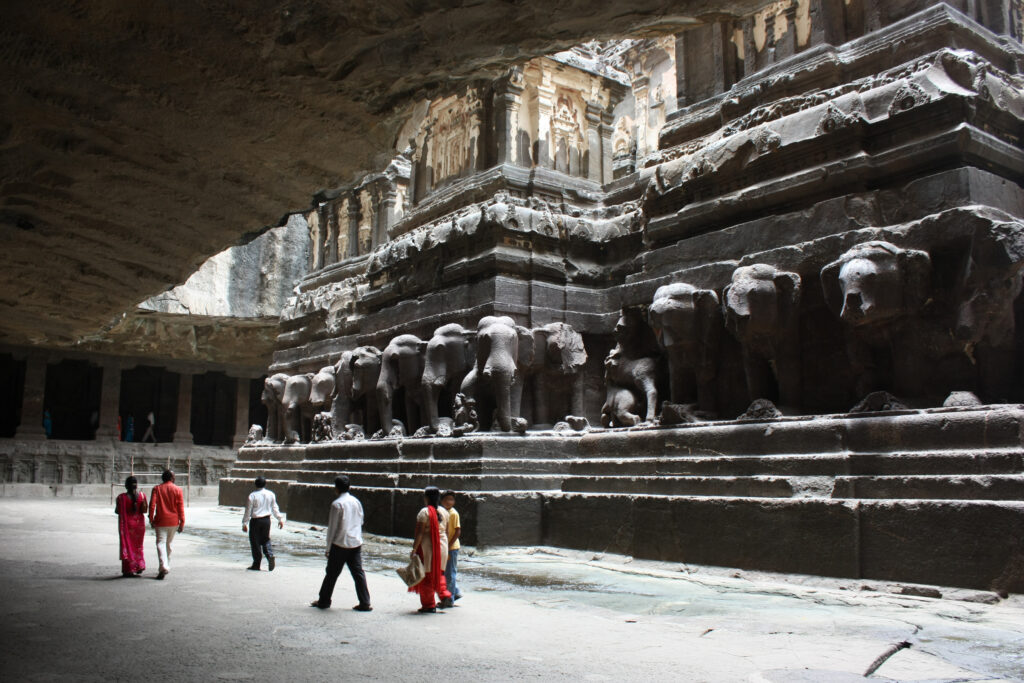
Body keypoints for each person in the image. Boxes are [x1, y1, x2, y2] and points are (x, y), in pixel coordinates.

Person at [311, 476, 371, 611]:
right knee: (358, 573)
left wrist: (328, 548)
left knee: (331, 574)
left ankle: (324, 600)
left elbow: (332, 528)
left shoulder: (337, 504)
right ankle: (365, 602)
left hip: (340, 544)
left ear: (336, 488)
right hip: (355, 542)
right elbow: (361, 521)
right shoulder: (356, 502)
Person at [410, 486, 452, 613]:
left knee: (427, 576)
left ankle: (429, 605)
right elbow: (447, 531)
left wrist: (414, 548)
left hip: (428, 547)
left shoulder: (424, 512)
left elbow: (420, 533)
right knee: (439, 572)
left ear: (427, 497)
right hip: (442, 546)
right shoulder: (444, 512)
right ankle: (444, 594)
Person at [148, 470, 185, 580]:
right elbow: (180, 508)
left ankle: (164, 566)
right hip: (173, 522)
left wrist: (151, 518)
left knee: (161, 543)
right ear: (172, 478)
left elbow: (152, 505)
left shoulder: (157, 489)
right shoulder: (178, 489)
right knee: (168, 544)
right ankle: (164, 567)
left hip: (160, 521)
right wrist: (182, 522)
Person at [242, 476, 284, 571]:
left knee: (255, 542)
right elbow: (274, 507)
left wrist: (245, 523)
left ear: (255, 484)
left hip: (256, 521)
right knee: (265, 539)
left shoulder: (252, 496)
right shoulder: (271, 494)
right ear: (265, 484)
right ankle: (269, 556)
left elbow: (248, 510)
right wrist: (280, 519)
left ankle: (256, 564)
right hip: (266, 520)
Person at [115, 476, 148, 577]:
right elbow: (144, 510)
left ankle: (129, 568)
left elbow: (117, 511)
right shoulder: (142, 495)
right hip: (139, 525)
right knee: (138, 547)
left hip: (127, 526)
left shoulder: (121, 498)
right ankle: (139, 565)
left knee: (128, 546)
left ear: (126, 486)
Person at [441, 490, 463, 604]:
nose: (449, 502)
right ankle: (456, 592)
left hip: (452, 547)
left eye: (451, 499)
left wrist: (449, 545)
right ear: (441, 501)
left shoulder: (453, 513)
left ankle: (449, 599)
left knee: (450, 573)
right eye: (446, 499)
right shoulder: (443, 512)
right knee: (446, 572)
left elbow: (457, 531)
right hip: (446, 546)